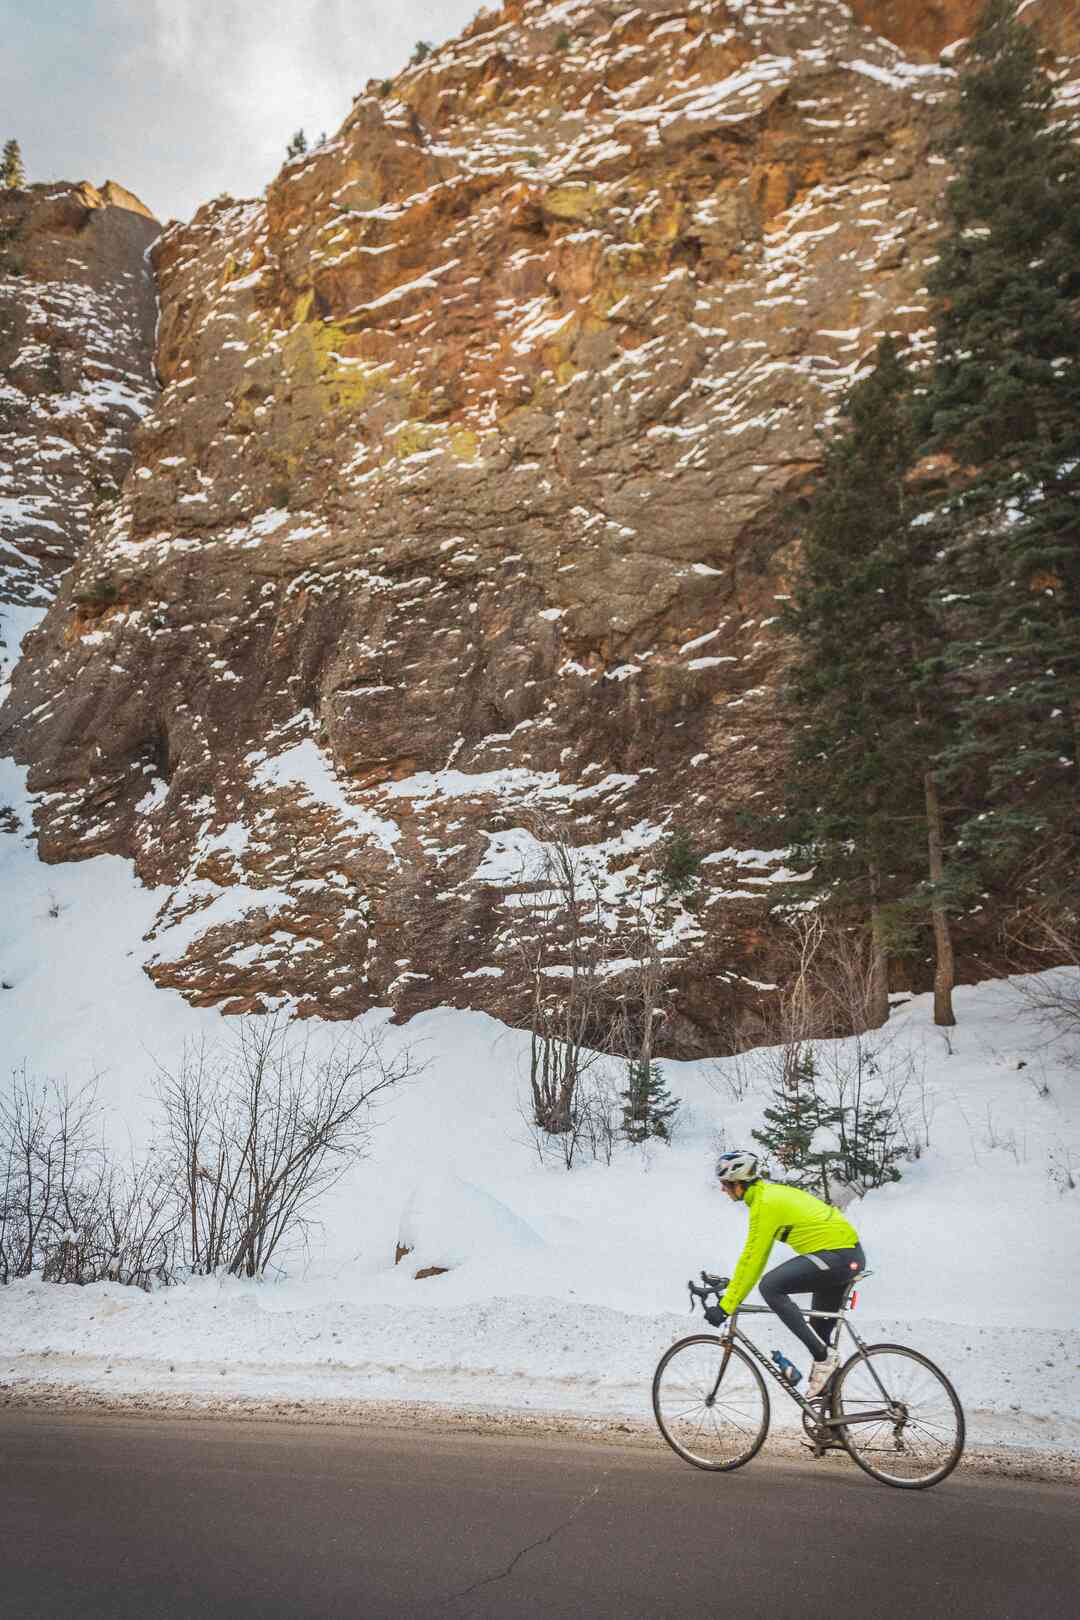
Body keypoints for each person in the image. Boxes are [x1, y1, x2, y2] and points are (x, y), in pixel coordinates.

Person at [704, 1149, 866, 1399]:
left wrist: (727, 1305)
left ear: (739, 1183)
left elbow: (753, 1259)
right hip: (841, 1256)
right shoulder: (769, 1196)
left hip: (838, 1256)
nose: (723, 1190)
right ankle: (831, 1426)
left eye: (726, 1184)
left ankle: (824, 1359)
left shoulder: (765, 1203)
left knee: (771, 1286)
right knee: (818, 1335)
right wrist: (733, 1284)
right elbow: (751, 1260)